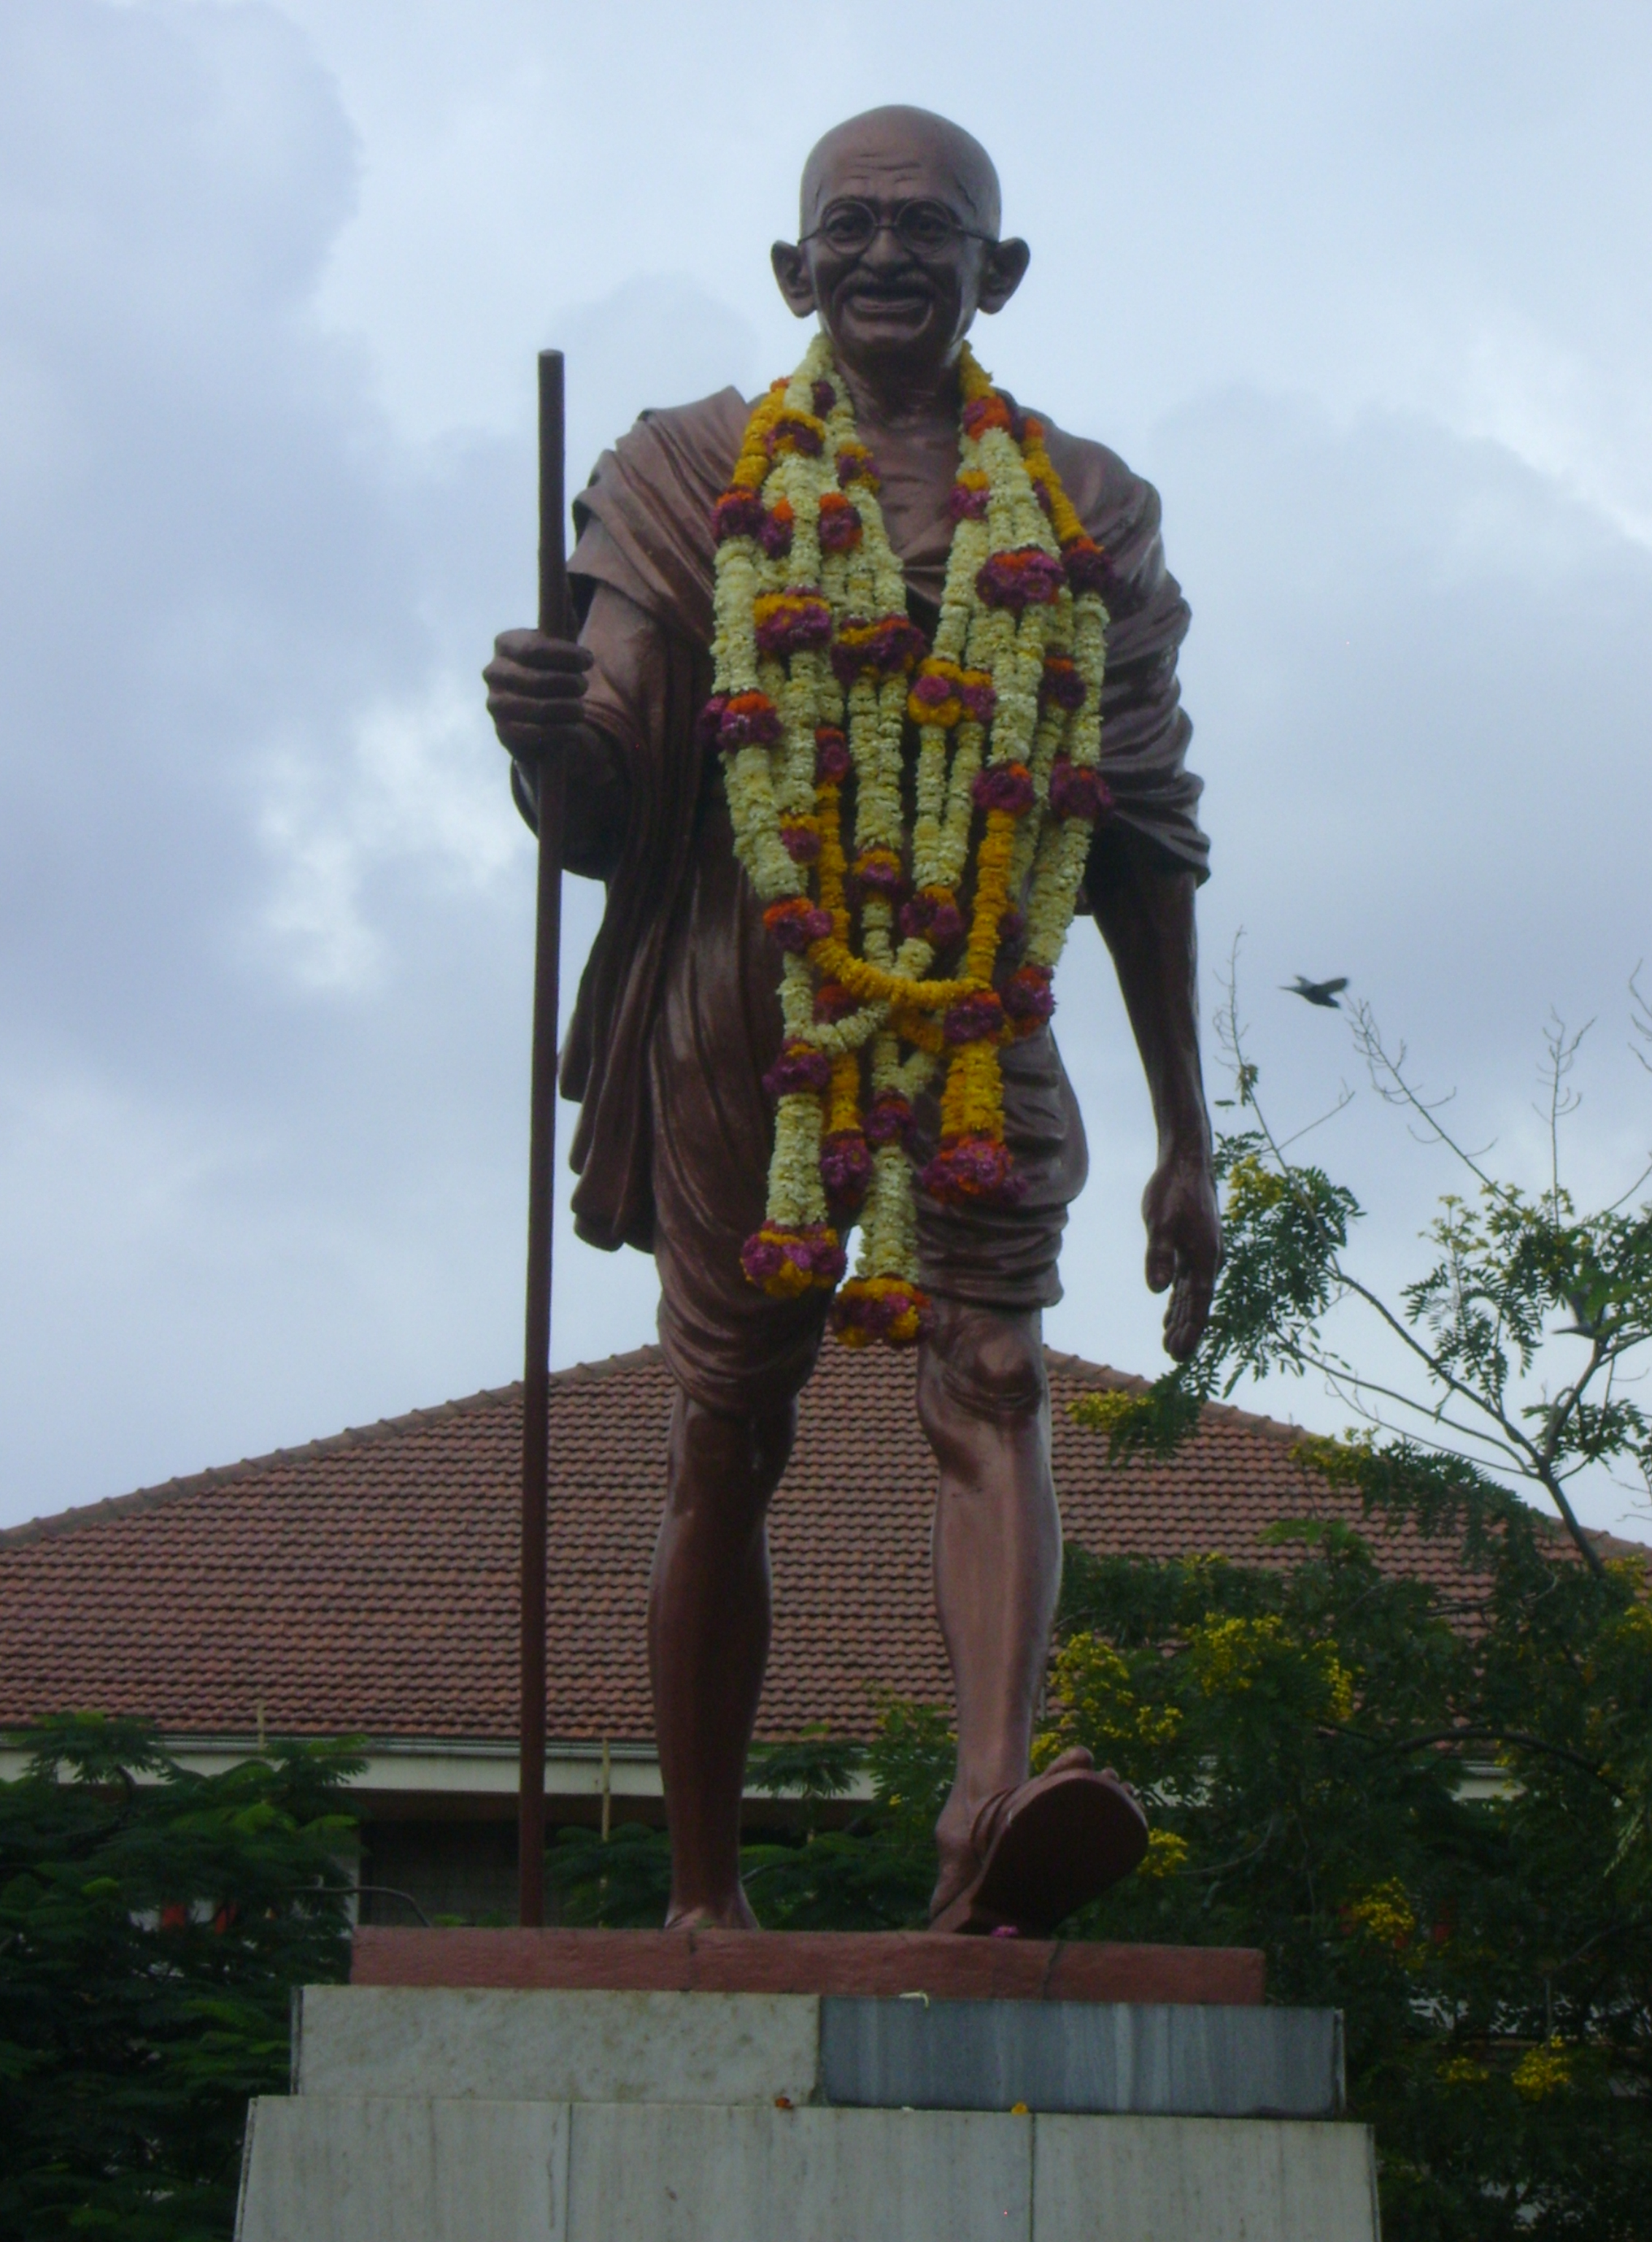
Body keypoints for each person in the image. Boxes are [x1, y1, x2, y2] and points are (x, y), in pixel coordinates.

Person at [484, 106, 1220, 1935]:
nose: (888, 254)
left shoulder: (1087, 510)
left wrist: (1191, 1135)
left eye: (930, 227)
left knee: (994, 1373)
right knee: (731, 1429)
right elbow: (605, 807)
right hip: (757, 995)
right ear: (794, 267)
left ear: (1001, 270)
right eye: (853, 226)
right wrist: (543, 734)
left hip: (985, 981)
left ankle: (990, 1818)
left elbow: (1137, 835)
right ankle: (702, 1891)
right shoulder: (685, 473)